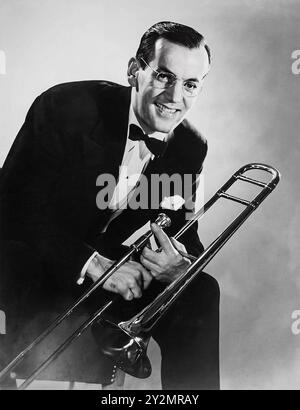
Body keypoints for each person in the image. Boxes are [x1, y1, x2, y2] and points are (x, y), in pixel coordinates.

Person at [0, 21, 220, 390]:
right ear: (134, 70)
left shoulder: (190, 146)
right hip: (30, 257)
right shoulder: (66, 107)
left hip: (106, 269)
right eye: (164, 76)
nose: (174, 96)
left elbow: (185, 234)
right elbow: (13, 210)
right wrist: (95, 265)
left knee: (199, 290)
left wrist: (180, 266)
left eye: (190, 84)